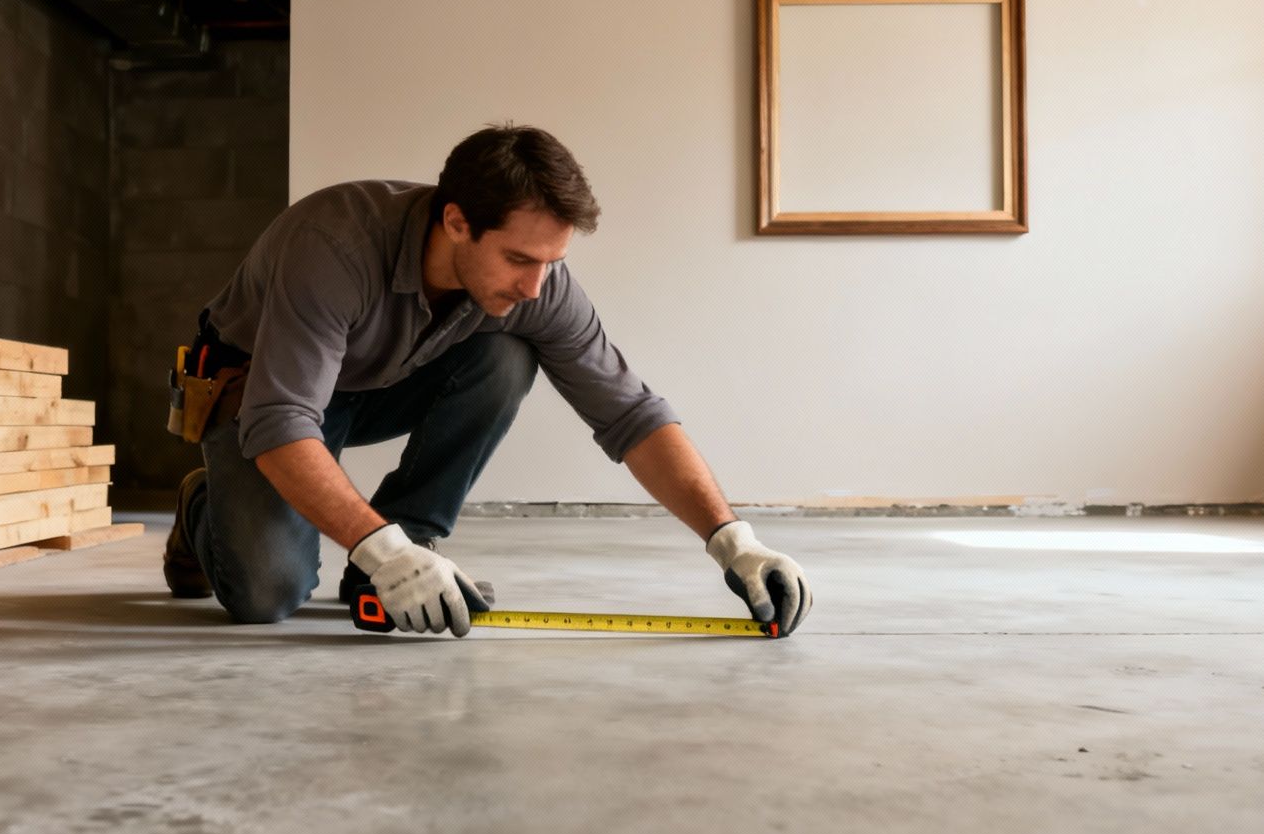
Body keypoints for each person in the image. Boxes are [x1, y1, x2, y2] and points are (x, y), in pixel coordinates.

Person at [164, 124, 812, 638]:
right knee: (266, 597)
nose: (536, 286)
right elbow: (281, 423)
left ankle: (408, 540)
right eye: (519, 259)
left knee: (505, 356)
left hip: (374, 384)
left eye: (551, 263)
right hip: (262, 398)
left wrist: (735, 541)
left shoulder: (538, 285)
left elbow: (631, 415)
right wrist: (379, 550)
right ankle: (206, 507)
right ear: (455, 223)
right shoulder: (331, 245)